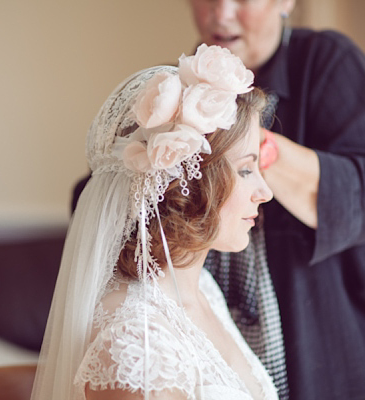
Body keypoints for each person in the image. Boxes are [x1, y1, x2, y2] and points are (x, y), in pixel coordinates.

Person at [73, 1, 365, 399]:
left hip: (342, 339)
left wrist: (246, 144)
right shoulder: (168, 97)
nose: (221, 13)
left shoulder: (326, 62)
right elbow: (104, 198)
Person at [33, 46, 279, 399]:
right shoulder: (137, 340)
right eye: (244, 169)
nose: (265, 191)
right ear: (189, 183)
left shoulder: (203, 288)